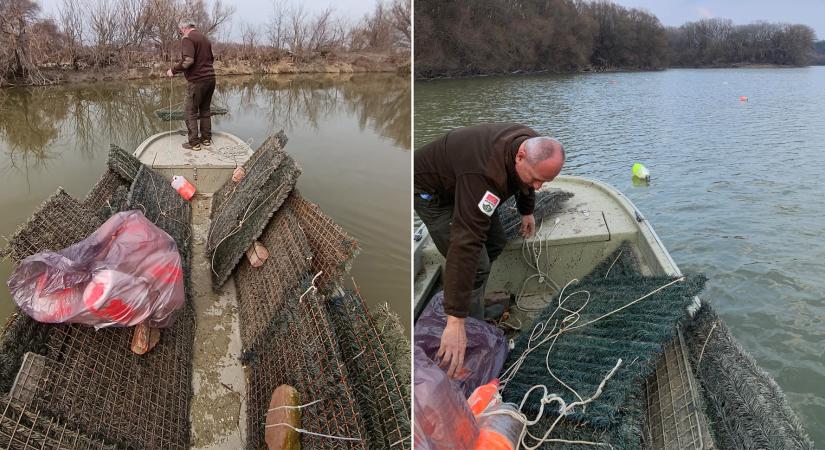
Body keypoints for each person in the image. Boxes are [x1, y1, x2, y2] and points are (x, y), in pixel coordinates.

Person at [414, 123, 565, 377]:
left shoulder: (531, 144)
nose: (539, 186)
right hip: (434, 195)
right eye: (536, 179)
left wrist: (527, 210)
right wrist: (455, 320)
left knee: (496, 242)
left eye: (545, 181)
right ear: (520, 156)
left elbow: (526, 184)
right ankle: (465, 330)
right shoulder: (484, 173)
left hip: (465, 185)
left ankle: (470, 301)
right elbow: (465, 242)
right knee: (476, 265)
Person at [166, 19, 215, 151]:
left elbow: (188, 60)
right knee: (205, 110)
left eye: (180, 30)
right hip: (211, 79)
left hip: (197, 81)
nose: (180, 33)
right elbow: (211, 59)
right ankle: (206, 139)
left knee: (190, 111)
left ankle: (194, 143)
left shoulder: (187, 38)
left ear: (184, 28)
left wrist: (173, 70)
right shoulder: (205, 38)